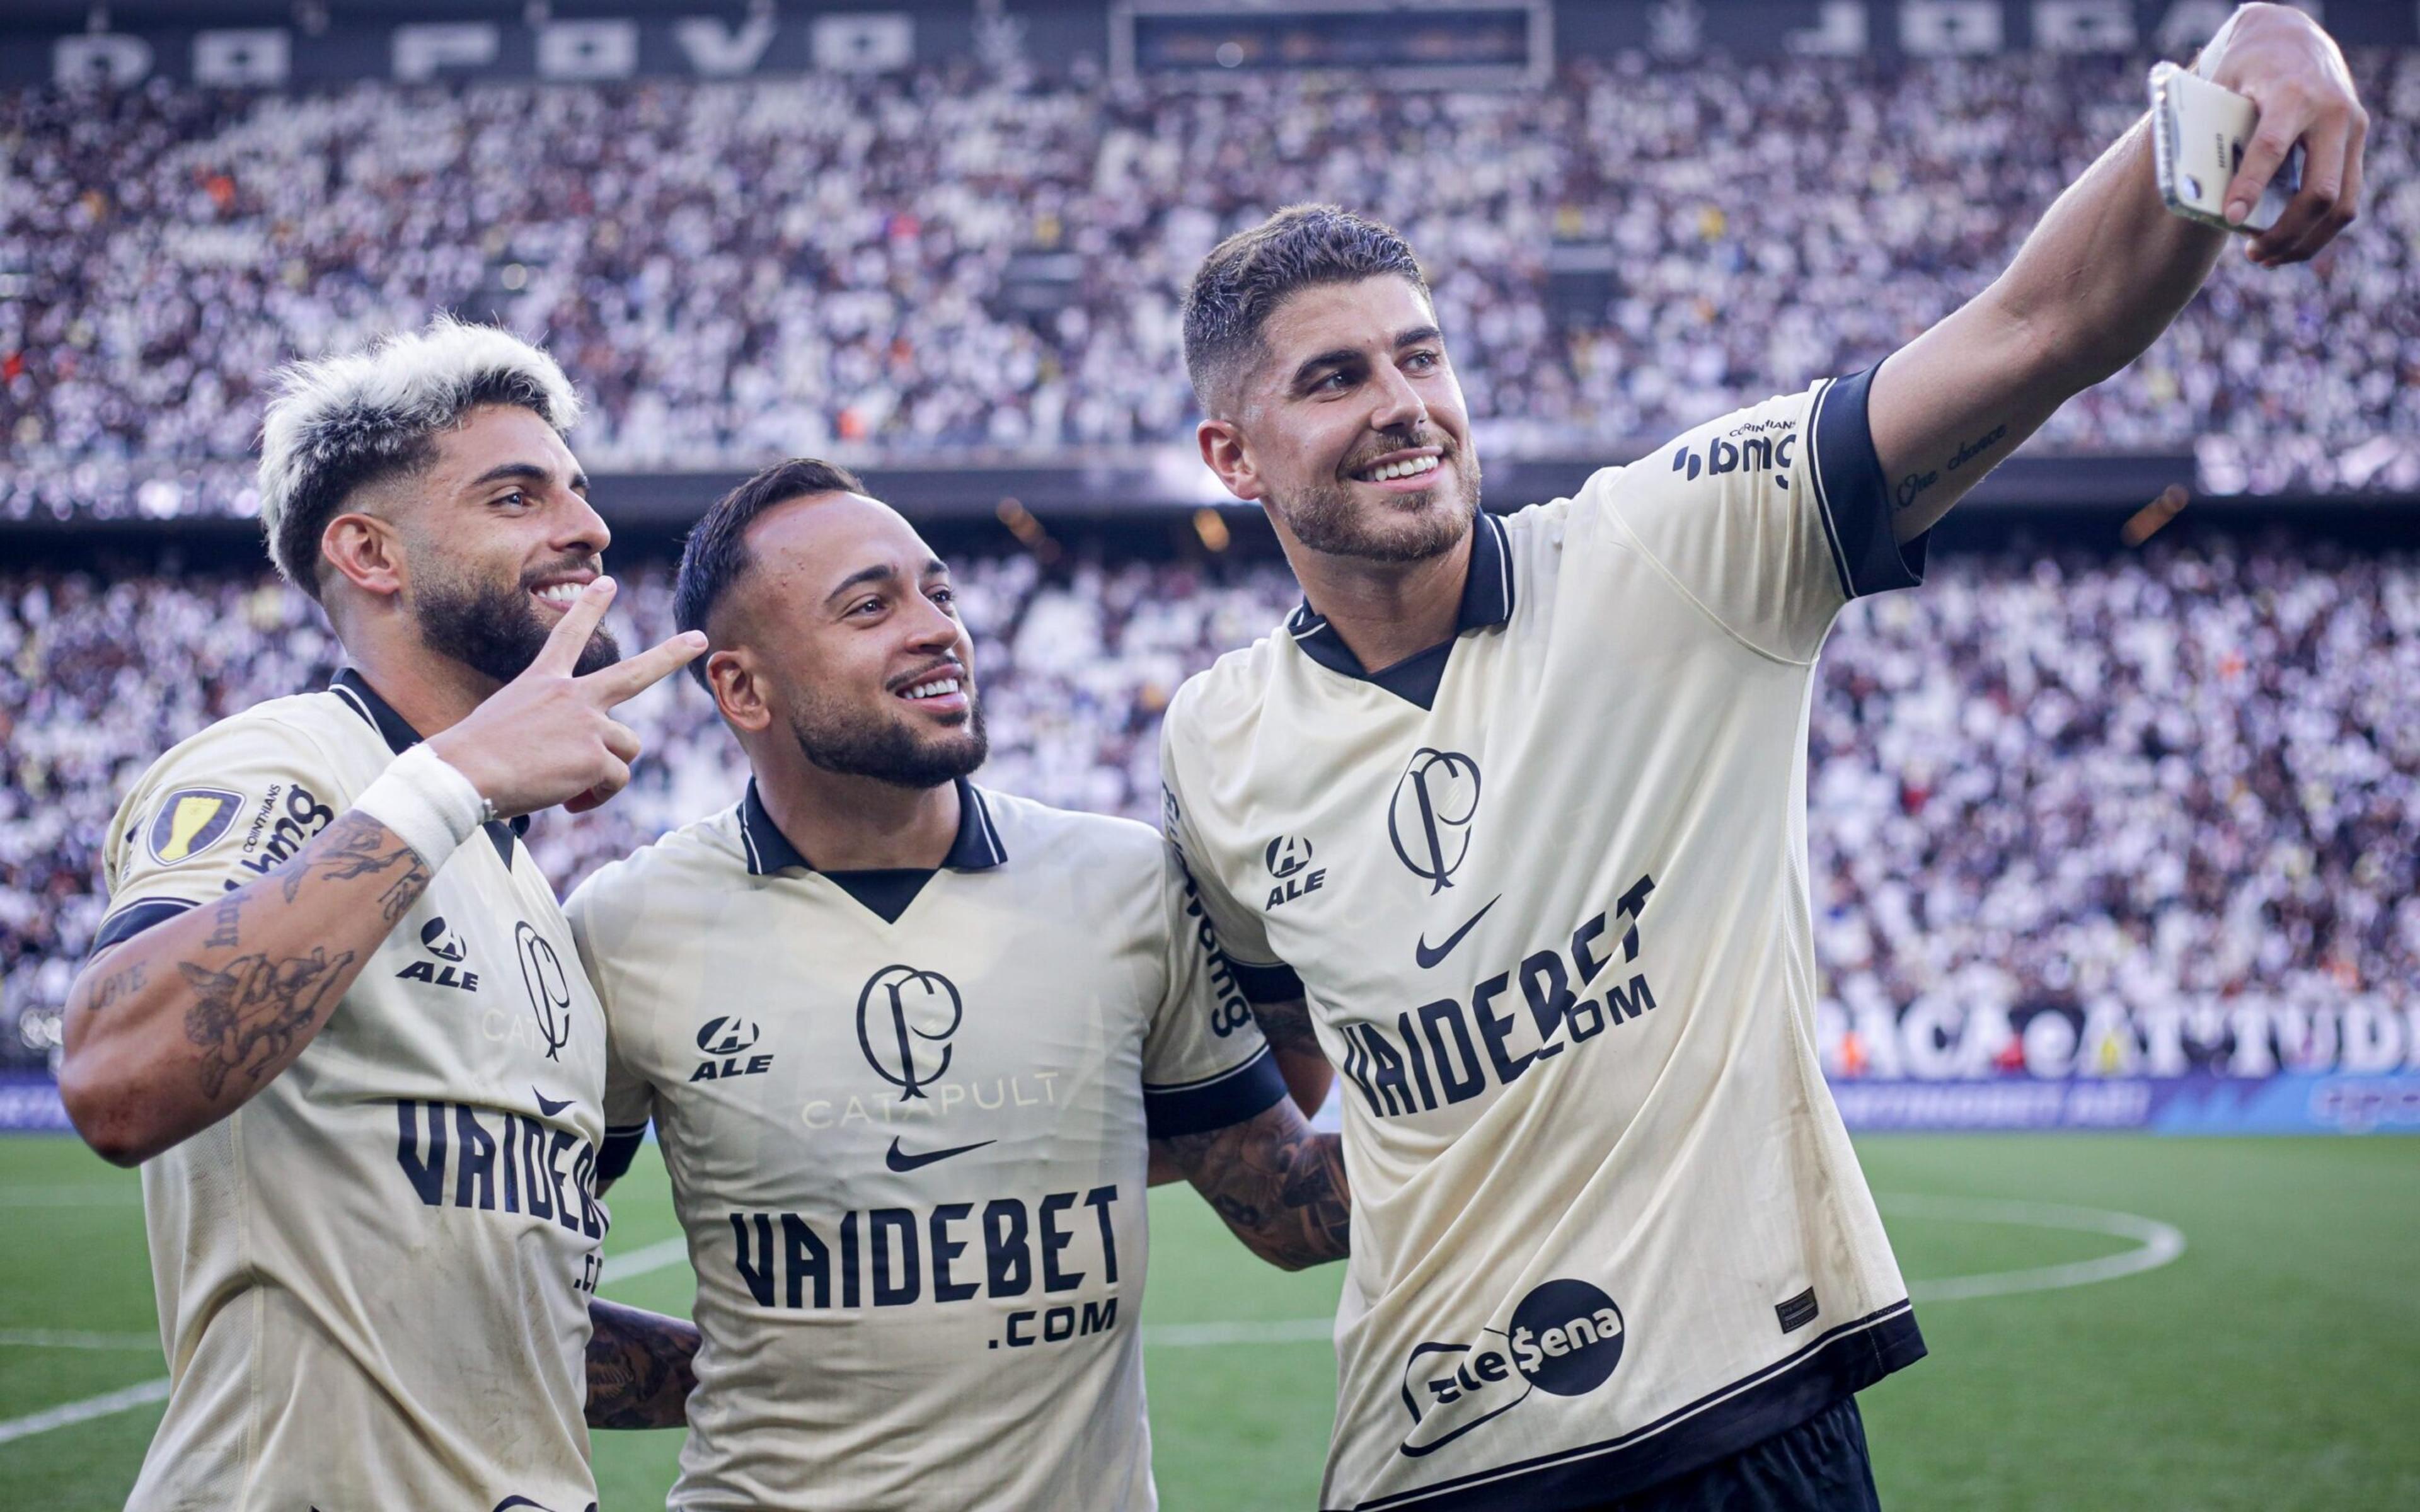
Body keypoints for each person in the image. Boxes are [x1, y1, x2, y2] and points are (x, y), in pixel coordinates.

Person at [1158, 8, 2366, 1509]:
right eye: (1335, 379)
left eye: (1422, 357)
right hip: (1421, 1468)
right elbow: (1278, 1154)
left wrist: (2246, 62)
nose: (1405, 406)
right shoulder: (1214, 740)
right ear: (1233, 457)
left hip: (1741, 1429)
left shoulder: (1674, 549)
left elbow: (2037, 327)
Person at [562, 459, 1350, 1511]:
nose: (937, 628)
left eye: (939, 593)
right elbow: (500, 1287)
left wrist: (1565, 1093)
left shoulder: (1120, 879)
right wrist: (746, 1372)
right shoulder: (625, 927)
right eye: (869, 606)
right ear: (741, 688)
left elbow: (1283, 1211)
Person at [58, 318, 710, 1509]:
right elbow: (118, 1072)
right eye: (517, 496)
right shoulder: (285, 764)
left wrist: (780, 1370)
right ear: (370, 553)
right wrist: (454, 776)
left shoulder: (517, 879)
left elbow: (495, 1305)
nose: (587, 527)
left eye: (577, 490)